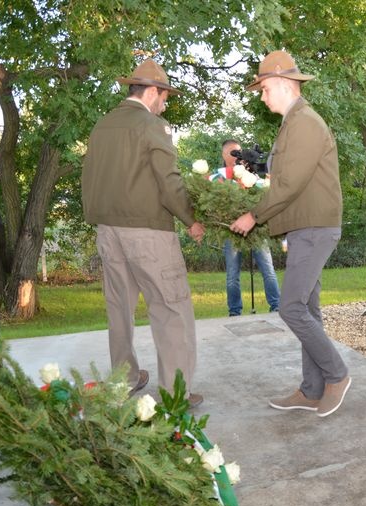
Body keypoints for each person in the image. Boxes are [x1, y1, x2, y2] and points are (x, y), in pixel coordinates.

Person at [230, 50, 350, 417]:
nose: (262, 97)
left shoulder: (305, 123)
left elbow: (289, 185)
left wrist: (254, 215)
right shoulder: (293, 123)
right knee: (307, 308)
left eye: (264, 89)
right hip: (305, 226)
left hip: (315, 227)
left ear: (283, 83)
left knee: (292, 307)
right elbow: (285, 181)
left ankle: (337, 374)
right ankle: (312, 390)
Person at [81, 59, 205, 407]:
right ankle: (175, 395)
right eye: (164, 97)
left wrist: (98, 216)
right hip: (148, 232)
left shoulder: (102, 125)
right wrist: (191, 219)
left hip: (108, 231)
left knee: (119, 308)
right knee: (171, 308)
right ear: (152, 91)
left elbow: (88, 177)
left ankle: (125, 380)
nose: (165, 104)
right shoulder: (153, 125)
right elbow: (169, 181)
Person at [211, 139, 280, 316]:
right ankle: (235, 311)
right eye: (233, 152)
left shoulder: (251, 173)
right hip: (231, 230)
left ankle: (277, 306)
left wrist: (265, 181)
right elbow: (213, 195)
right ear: (224, 154)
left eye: (240, 152)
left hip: (256, 229)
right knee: (232, 274)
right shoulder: (219, 176)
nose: (238, 156)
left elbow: (264, 192)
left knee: (268, 269)